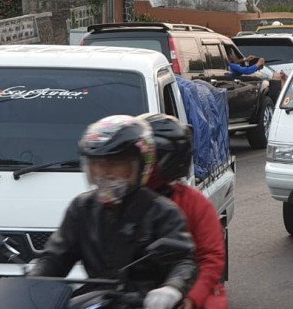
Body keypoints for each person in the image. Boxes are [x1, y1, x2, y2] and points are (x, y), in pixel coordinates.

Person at [30, 115, 198, 309]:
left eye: (115, 164)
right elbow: (55, 258)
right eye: (97, 165)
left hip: (147, 304)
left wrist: (171, 288)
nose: (104, 173)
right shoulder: (82, 208)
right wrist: (33, 282)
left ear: (141, 166)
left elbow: (184, 261)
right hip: (94, 301)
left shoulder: (162, 211)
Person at [144, 113, 228, 309]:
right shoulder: (124, 200)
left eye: (148, 157)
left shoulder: (195, 203)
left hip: (187, 290)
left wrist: (191, 298)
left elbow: (212, 257)